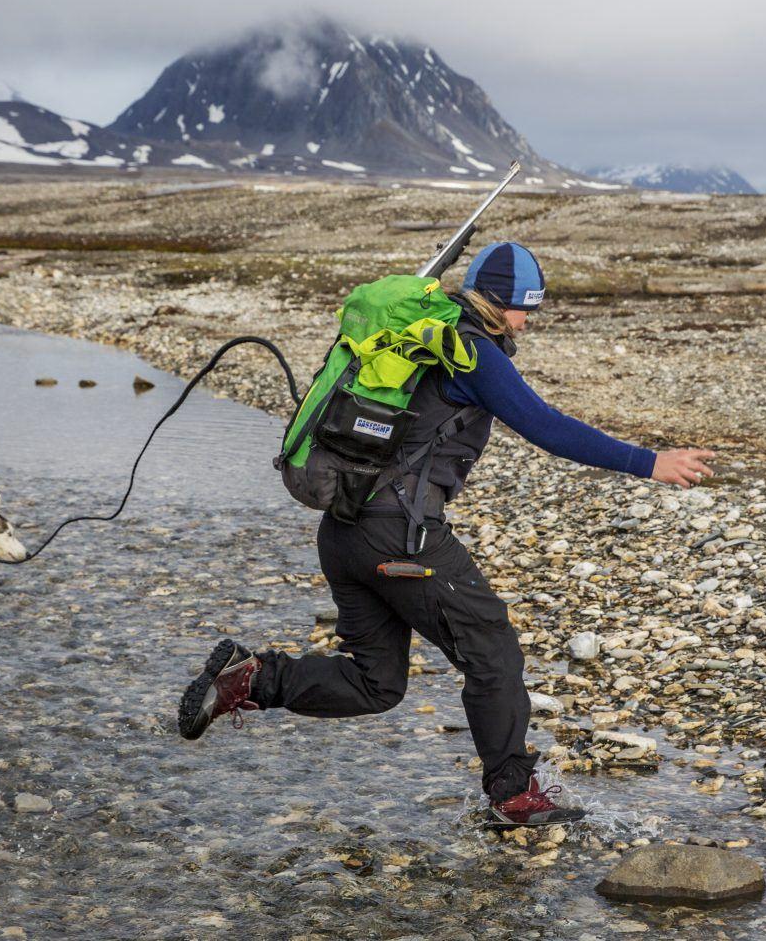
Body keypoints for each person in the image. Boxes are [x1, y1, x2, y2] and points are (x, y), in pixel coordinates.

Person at [177, 242, 715, 826]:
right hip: (400, 540)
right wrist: (647, 461)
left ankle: (249, 677)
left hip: (345, 533)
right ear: (494, 302)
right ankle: (512, 794)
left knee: (375, 681)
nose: (524, 322)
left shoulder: (416, 336)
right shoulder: (471, 353)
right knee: (493, 649)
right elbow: (547, 427)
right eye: (520, 309)